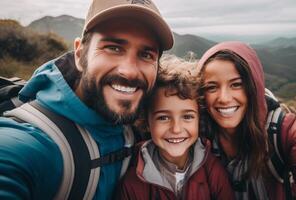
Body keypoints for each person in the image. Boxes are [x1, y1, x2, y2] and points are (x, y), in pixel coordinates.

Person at [0, 0, 173, 199]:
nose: (130, 71)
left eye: (146, 54)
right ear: (80, 53)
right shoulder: (27, 146)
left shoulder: (141, 126)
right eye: (113, 48)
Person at [198, 41, 296, 199]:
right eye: (211, 87)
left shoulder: (284, 130)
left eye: (236, 84)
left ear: (254, 87)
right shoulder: (195, 134)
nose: (224, 99)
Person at [116, 55, 235, 199]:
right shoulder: (132, 183)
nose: (176, 129)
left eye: (187, 117)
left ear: (199, 119)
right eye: (163, 118)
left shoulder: (212, 169)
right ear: (146, 122)